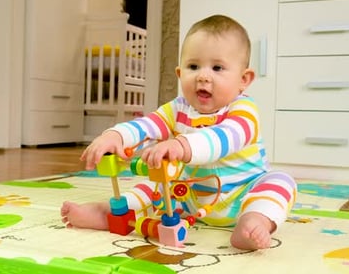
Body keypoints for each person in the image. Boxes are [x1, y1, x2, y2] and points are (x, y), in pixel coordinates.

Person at [61, 14, 296, 250]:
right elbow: (148, 126)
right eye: (193, 66)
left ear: (243, 79)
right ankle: (111, 211)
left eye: (217, 67)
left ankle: (254, 222)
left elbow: (226, 137)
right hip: (188, 197)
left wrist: (182, 145)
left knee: (281, 182)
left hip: (244, 193)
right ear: (180, 73)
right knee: (153, 189)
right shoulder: (177, 108)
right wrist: (116, 136)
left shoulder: (244, 109)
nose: (203, 76)